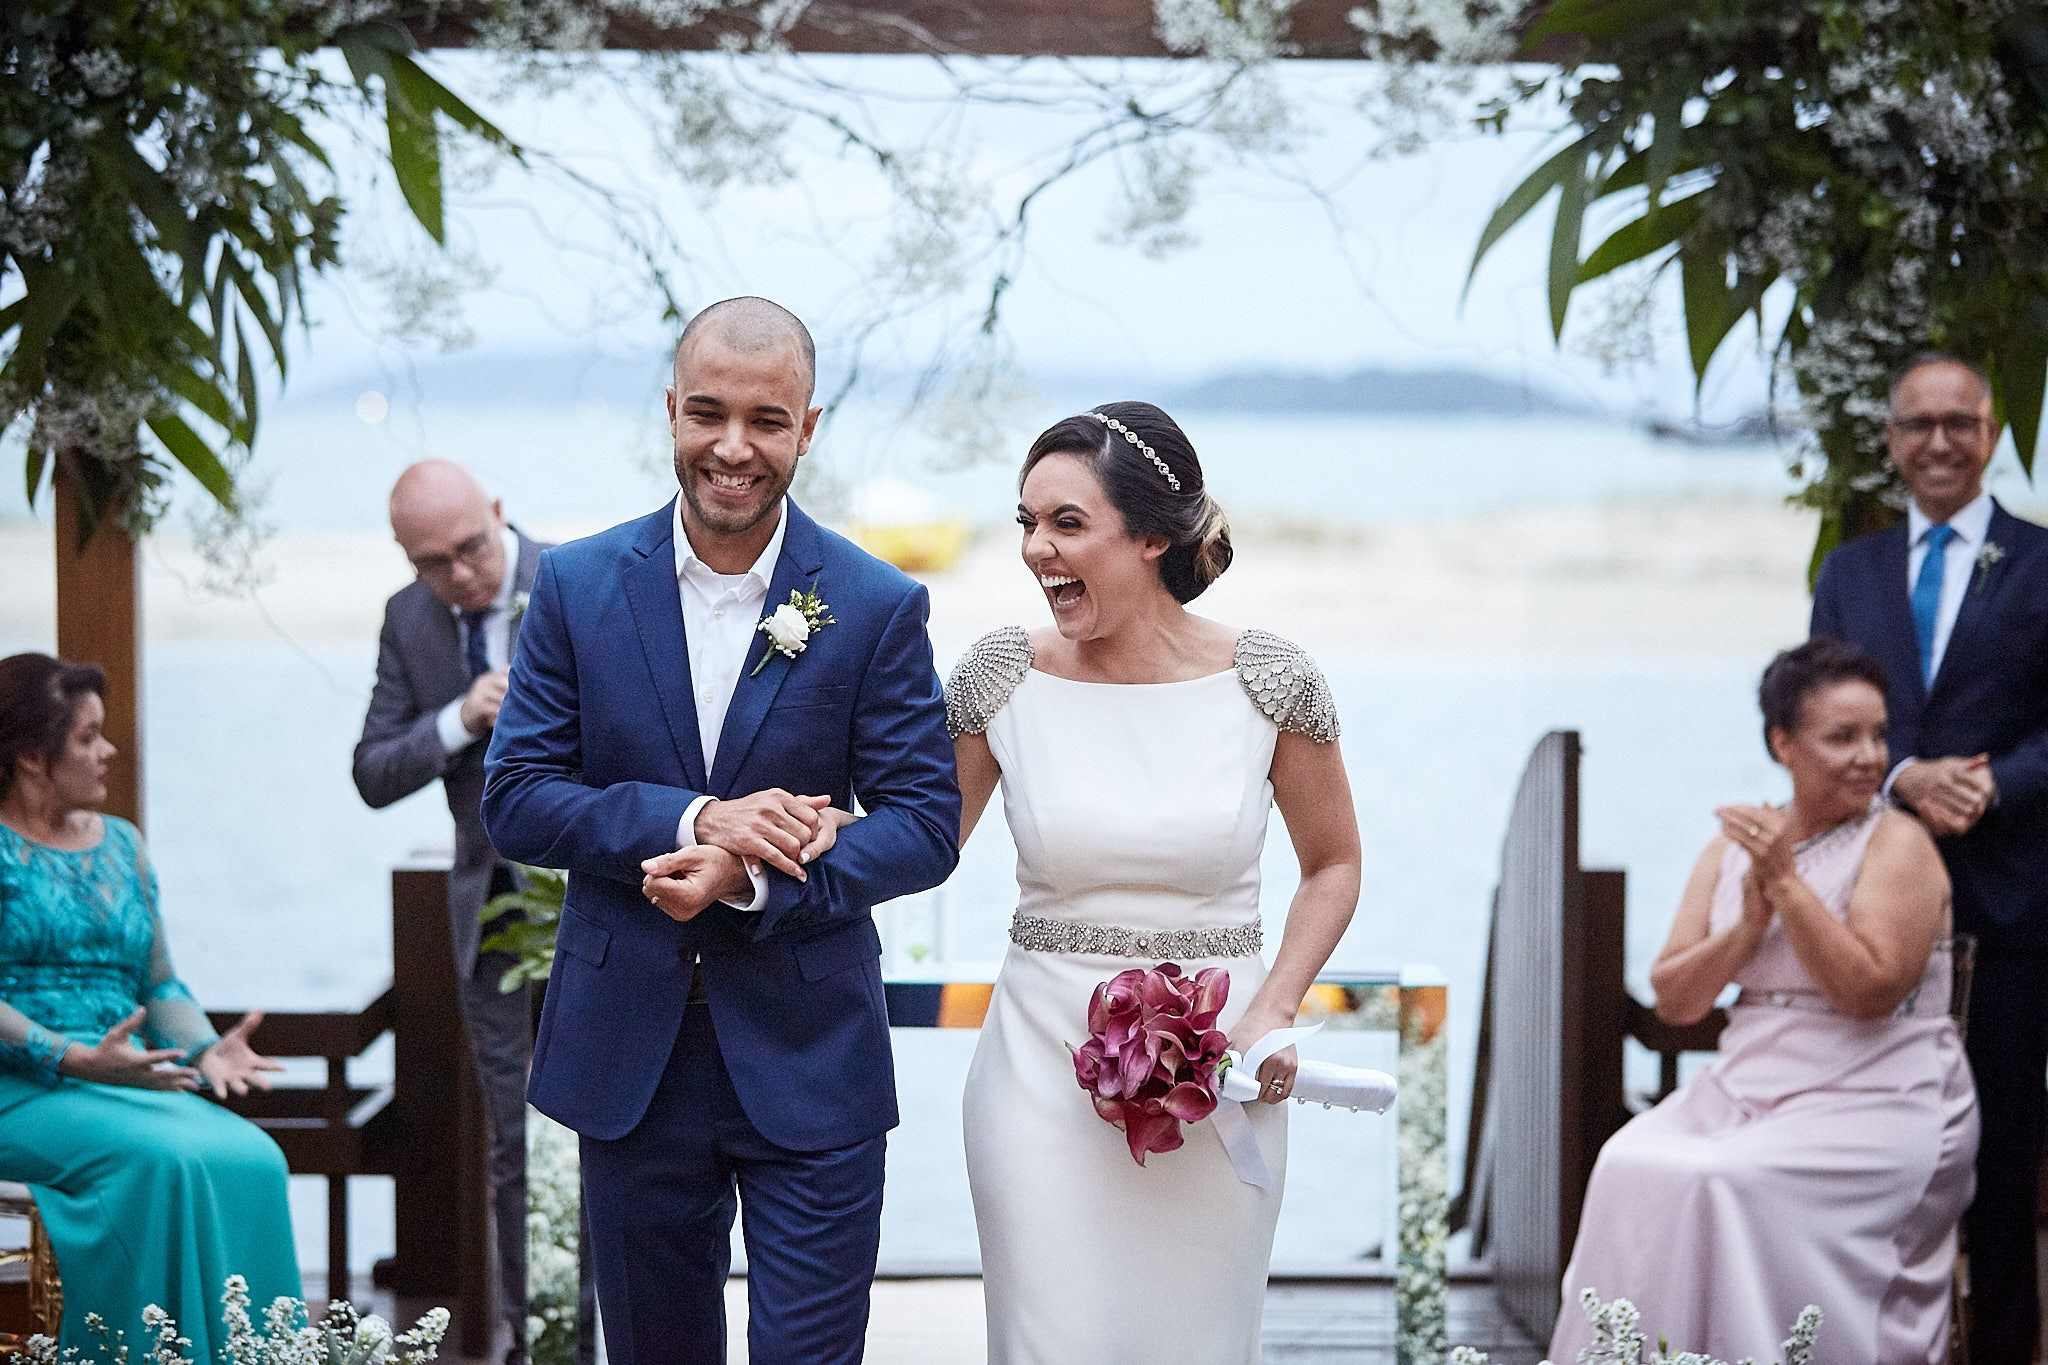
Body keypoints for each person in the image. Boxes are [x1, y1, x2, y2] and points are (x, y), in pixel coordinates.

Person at [481, 296, 960, 1365]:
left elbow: (925, 825)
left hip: (810, 1053)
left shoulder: (876, 605)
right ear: (669, 411)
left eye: (766, 420)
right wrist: (694, 816)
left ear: (808, 428)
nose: (732, 448)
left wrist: (750, 872)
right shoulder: (574, 585)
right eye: (707, 414)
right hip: (628, 1060)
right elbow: (514, 797)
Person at [946, 401, 1362, 1363]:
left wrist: (1273, 1008)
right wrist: (757, 831)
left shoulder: (1271, 680)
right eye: (1026, 522)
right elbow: (915, 840)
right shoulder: (998, 679)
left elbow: (1333, 864)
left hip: (1217, 1079)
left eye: (1065, 524)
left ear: (1150, 537)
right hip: (1035, 1080)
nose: (1035, 550)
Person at [1550, 639, 1978, 1364]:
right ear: (1784, 743)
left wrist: (1784, 882)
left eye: (1878, 734)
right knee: (1629, 1161)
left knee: (1723, 1178)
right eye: (1842, 737)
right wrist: (1746, 927)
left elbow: (1870, 993)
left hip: (1878, 1094)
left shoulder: (1898, 844)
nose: (1869, 757)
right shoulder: (1728, 848)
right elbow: (1675, 999)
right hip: (1749, 1086)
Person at [1809, 352, 2048, 1364]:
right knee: (1869, 1152)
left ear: (1990, 435)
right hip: (1873, 905)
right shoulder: (1848, 572)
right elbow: (1807, 712)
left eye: (1958, 422)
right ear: (1891, 440)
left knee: (1995, 1160)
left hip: (2012, 900)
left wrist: (1995, 783)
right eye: (1917, 424)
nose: (1938, 441)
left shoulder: (2040, 562)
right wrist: (1898, 770)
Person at [0, 653, 299, 1353]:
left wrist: (205, 1047)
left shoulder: (124, 846)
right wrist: (70, 1055)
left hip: (117, 1077)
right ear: (32, 756)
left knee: (255, 1158)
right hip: (21, 1081)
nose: (107, 751)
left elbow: (160, 982)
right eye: (86, 736)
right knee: (164, 1159)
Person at [352, 459, 548, 1359]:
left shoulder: (575, 582)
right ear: (406, 559)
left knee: (614, 1138)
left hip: (605, 905)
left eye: (471, 547)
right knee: (512, 1141)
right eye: (434, 561)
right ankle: (532, 1333)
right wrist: (459, 719)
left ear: (499, 514)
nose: (461, 574)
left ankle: (612, 1328)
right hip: (488, 920)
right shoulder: (408, 618)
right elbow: (374, 771)